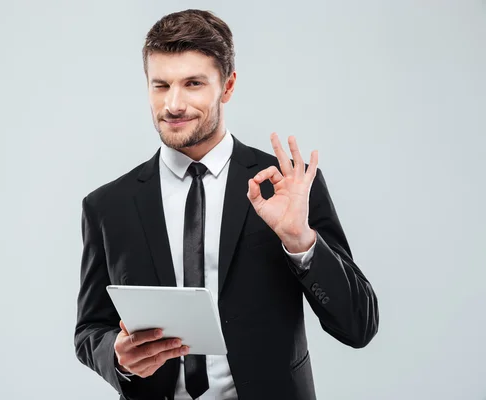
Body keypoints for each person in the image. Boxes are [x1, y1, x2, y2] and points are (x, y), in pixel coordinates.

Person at [74, 9, 378, 400]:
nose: (174, 104)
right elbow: (89, 330)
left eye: (193, 83)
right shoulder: (108, 205)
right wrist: (116, 356)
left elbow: (359, 326)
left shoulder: (288, 185)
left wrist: (301, 241)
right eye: (161, 85)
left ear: (228, 86)